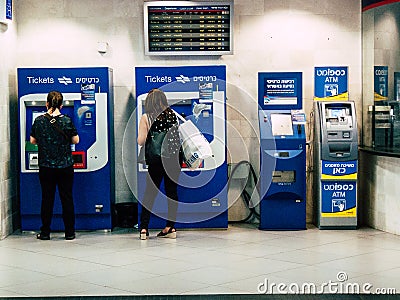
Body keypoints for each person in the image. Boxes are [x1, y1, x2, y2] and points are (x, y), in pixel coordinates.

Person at [30, 91, 79, 240]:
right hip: (65, 166)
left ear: (47, 104)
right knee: (67, 198)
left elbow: (32, 141)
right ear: (61, 105)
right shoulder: (66, 120)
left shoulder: (38, 121)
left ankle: (45, 232)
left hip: (46, 167)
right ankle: (69, 233)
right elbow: (75, 140)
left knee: (47, 198)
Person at [137, 88, 181, 240]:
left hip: (156, 160)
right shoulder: (172, 115)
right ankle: (171, 227)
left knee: (150, 193)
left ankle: (143, 228)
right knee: (172, 193)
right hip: (173, 161)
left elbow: (140, 141)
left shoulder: (147, 117)